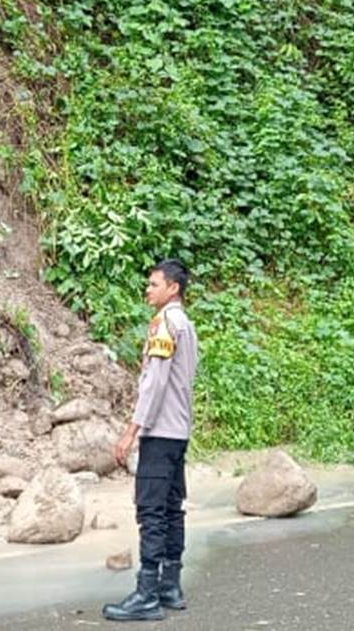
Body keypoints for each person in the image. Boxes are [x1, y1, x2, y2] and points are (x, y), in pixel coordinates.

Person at [103, 259, 199, 622]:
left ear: (172, 288)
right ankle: (170, 586)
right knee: (173, 508)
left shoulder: (164, 324)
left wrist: (132, 430)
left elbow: (155, 383)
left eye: (154, 283)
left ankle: (146, 594)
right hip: (179, 431)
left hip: (159, 432)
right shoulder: (186, 324)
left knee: (152, 511)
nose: (148, 289)